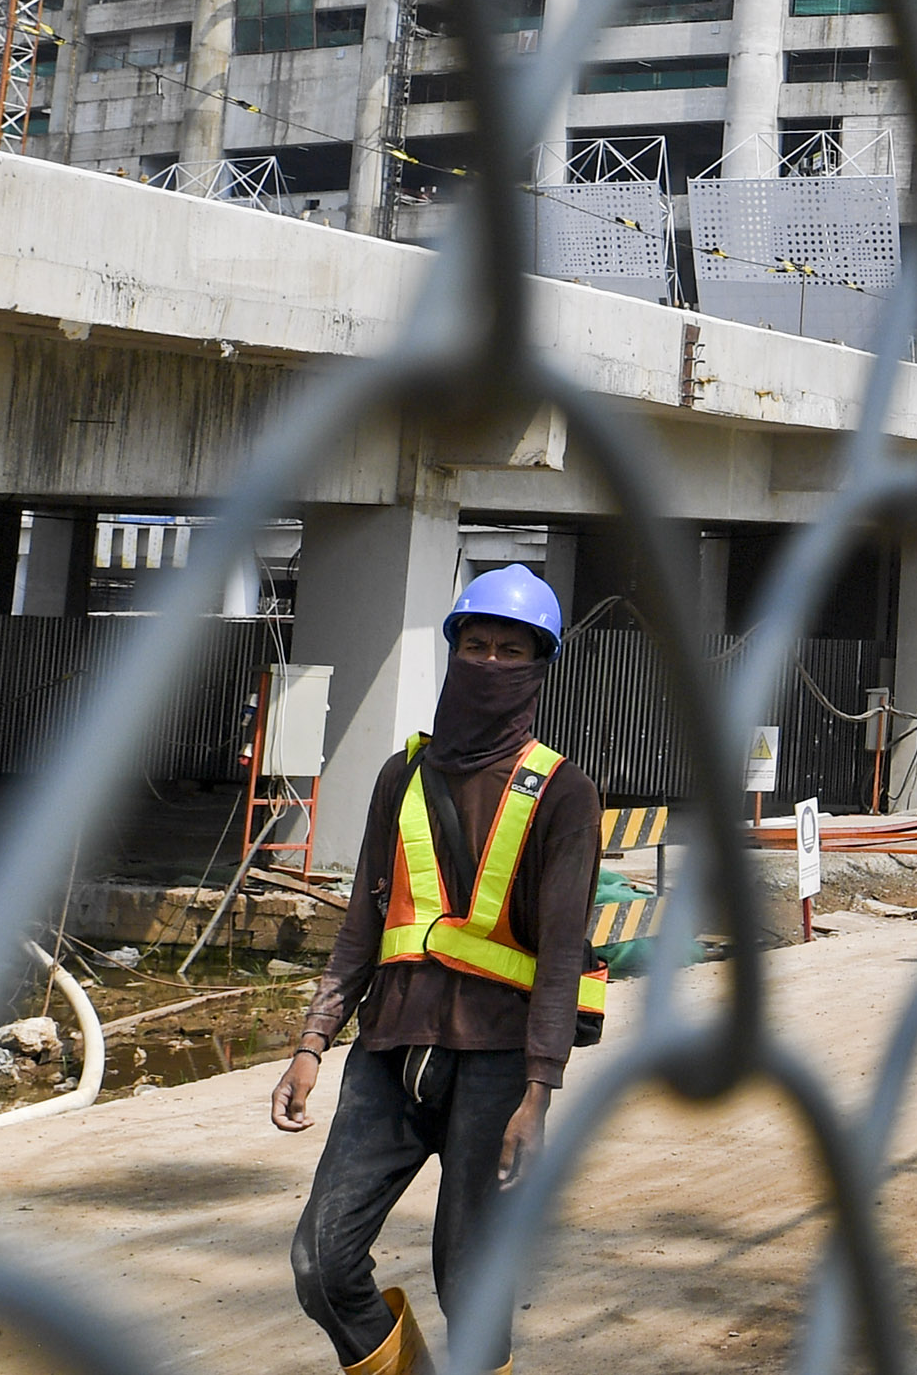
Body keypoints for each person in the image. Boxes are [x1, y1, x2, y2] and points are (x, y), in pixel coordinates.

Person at [275, 566, 604, 1375]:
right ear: (454, 652)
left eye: (511, 651)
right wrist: (313, 1041)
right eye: (477, 646)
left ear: (538, 667)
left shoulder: (564, 793)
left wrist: (539, 1091)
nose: (490, 664)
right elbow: (362, 923)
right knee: (322, 1262)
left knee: (470, 1286)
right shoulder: (402, 775)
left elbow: (562, 954)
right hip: (389, 1051)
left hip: (495, 1064)